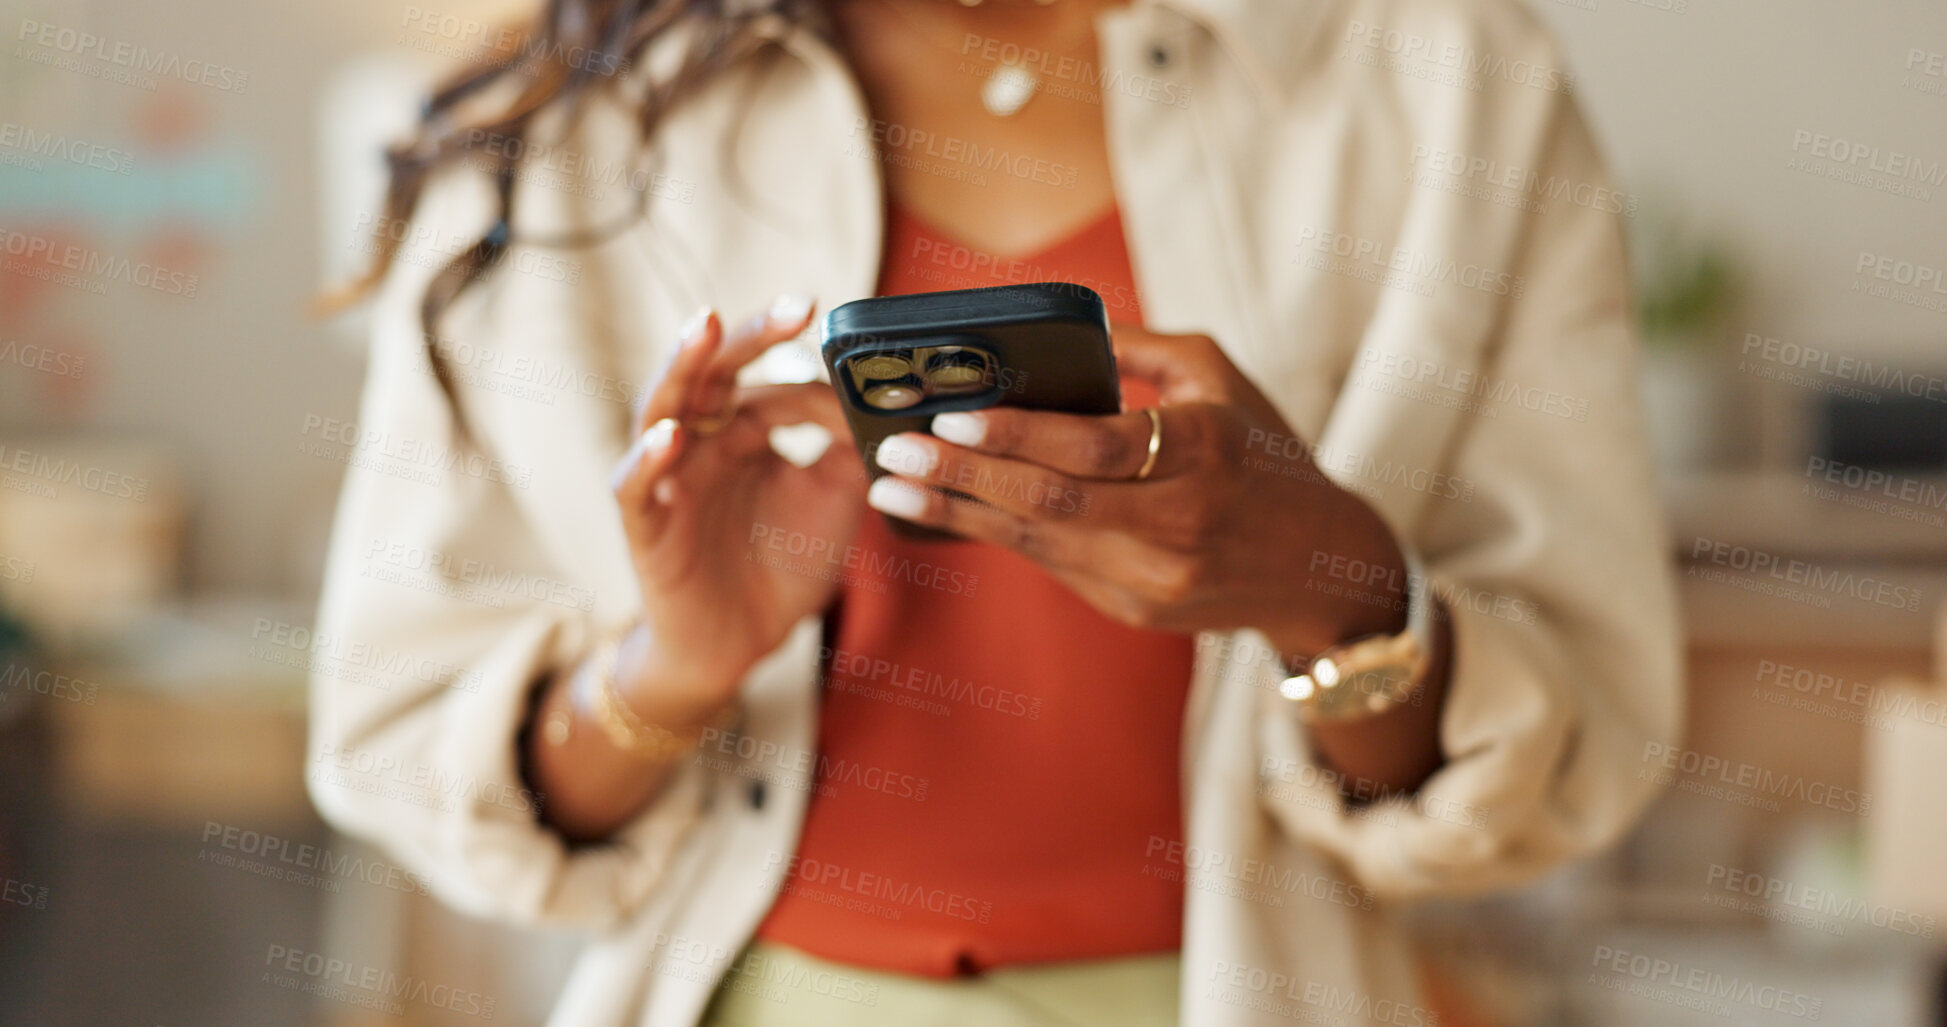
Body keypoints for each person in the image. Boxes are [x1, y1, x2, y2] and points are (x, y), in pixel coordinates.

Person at [308, 0, 1682, 1023]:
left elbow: (1574, 752)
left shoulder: (1447, 86)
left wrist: (1321, 583)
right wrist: (671, 668)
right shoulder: (577, 132)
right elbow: (399, 731)